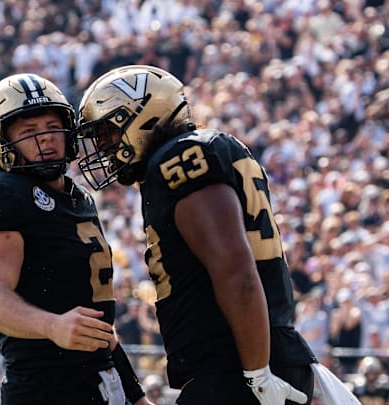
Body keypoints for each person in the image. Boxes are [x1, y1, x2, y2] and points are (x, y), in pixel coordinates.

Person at [76, 65, 317, 405]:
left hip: (237, 369)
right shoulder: (203, 150)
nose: (103, 146)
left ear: (142, 116)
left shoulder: (181, 157)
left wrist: (258, 374)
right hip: (253, 357)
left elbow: (236, 270)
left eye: (108, 132)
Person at [0, 73, 152, 405]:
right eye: (29, 132)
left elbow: (98, 325)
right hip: (45, 389)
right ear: (3, 142)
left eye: (51, 127)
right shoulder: (0, 195)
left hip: (104, 385)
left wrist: (135, 397)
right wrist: (51, 326)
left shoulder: (79, 198)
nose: (45, 140)